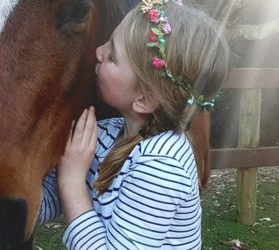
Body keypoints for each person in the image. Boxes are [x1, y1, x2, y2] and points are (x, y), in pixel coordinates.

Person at [40, 0, 230, 249]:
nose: (99, 51)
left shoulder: (162, 166)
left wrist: (72, 182)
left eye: (112, 56)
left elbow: (69, 183)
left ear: (144, 99)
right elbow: (48, 199)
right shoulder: (106, 134)